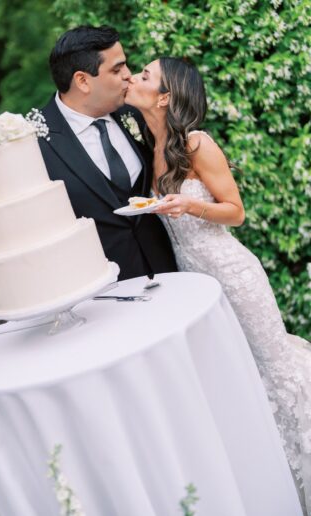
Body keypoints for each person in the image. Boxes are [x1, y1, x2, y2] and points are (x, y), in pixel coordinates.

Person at [125, 56, 311, 513]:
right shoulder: (149, 144)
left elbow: (236, 211)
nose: (133, 78)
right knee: (241, 378)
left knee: (277, 372)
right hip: (198, 286)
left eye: (144, 75)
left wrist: (189, 208)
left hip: (234, 276)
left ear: (165, 97)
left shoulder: (196, 142)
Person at [37, 26, 177, 281]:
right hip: (105, 296)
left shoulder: (137, 111)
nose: (129, 76)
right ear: (82, 81)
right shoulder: (34, 142)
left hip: (172, 273)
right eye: (117, 69)